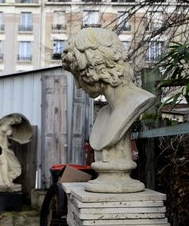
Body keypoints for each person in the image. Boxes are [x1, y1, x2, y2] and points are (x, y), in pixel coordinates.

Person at [62, 27, 156, 193]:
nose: (77, 85)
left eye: (77, 76)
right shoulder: (104, 113)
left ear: (92, 69)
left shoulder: (137, 101)